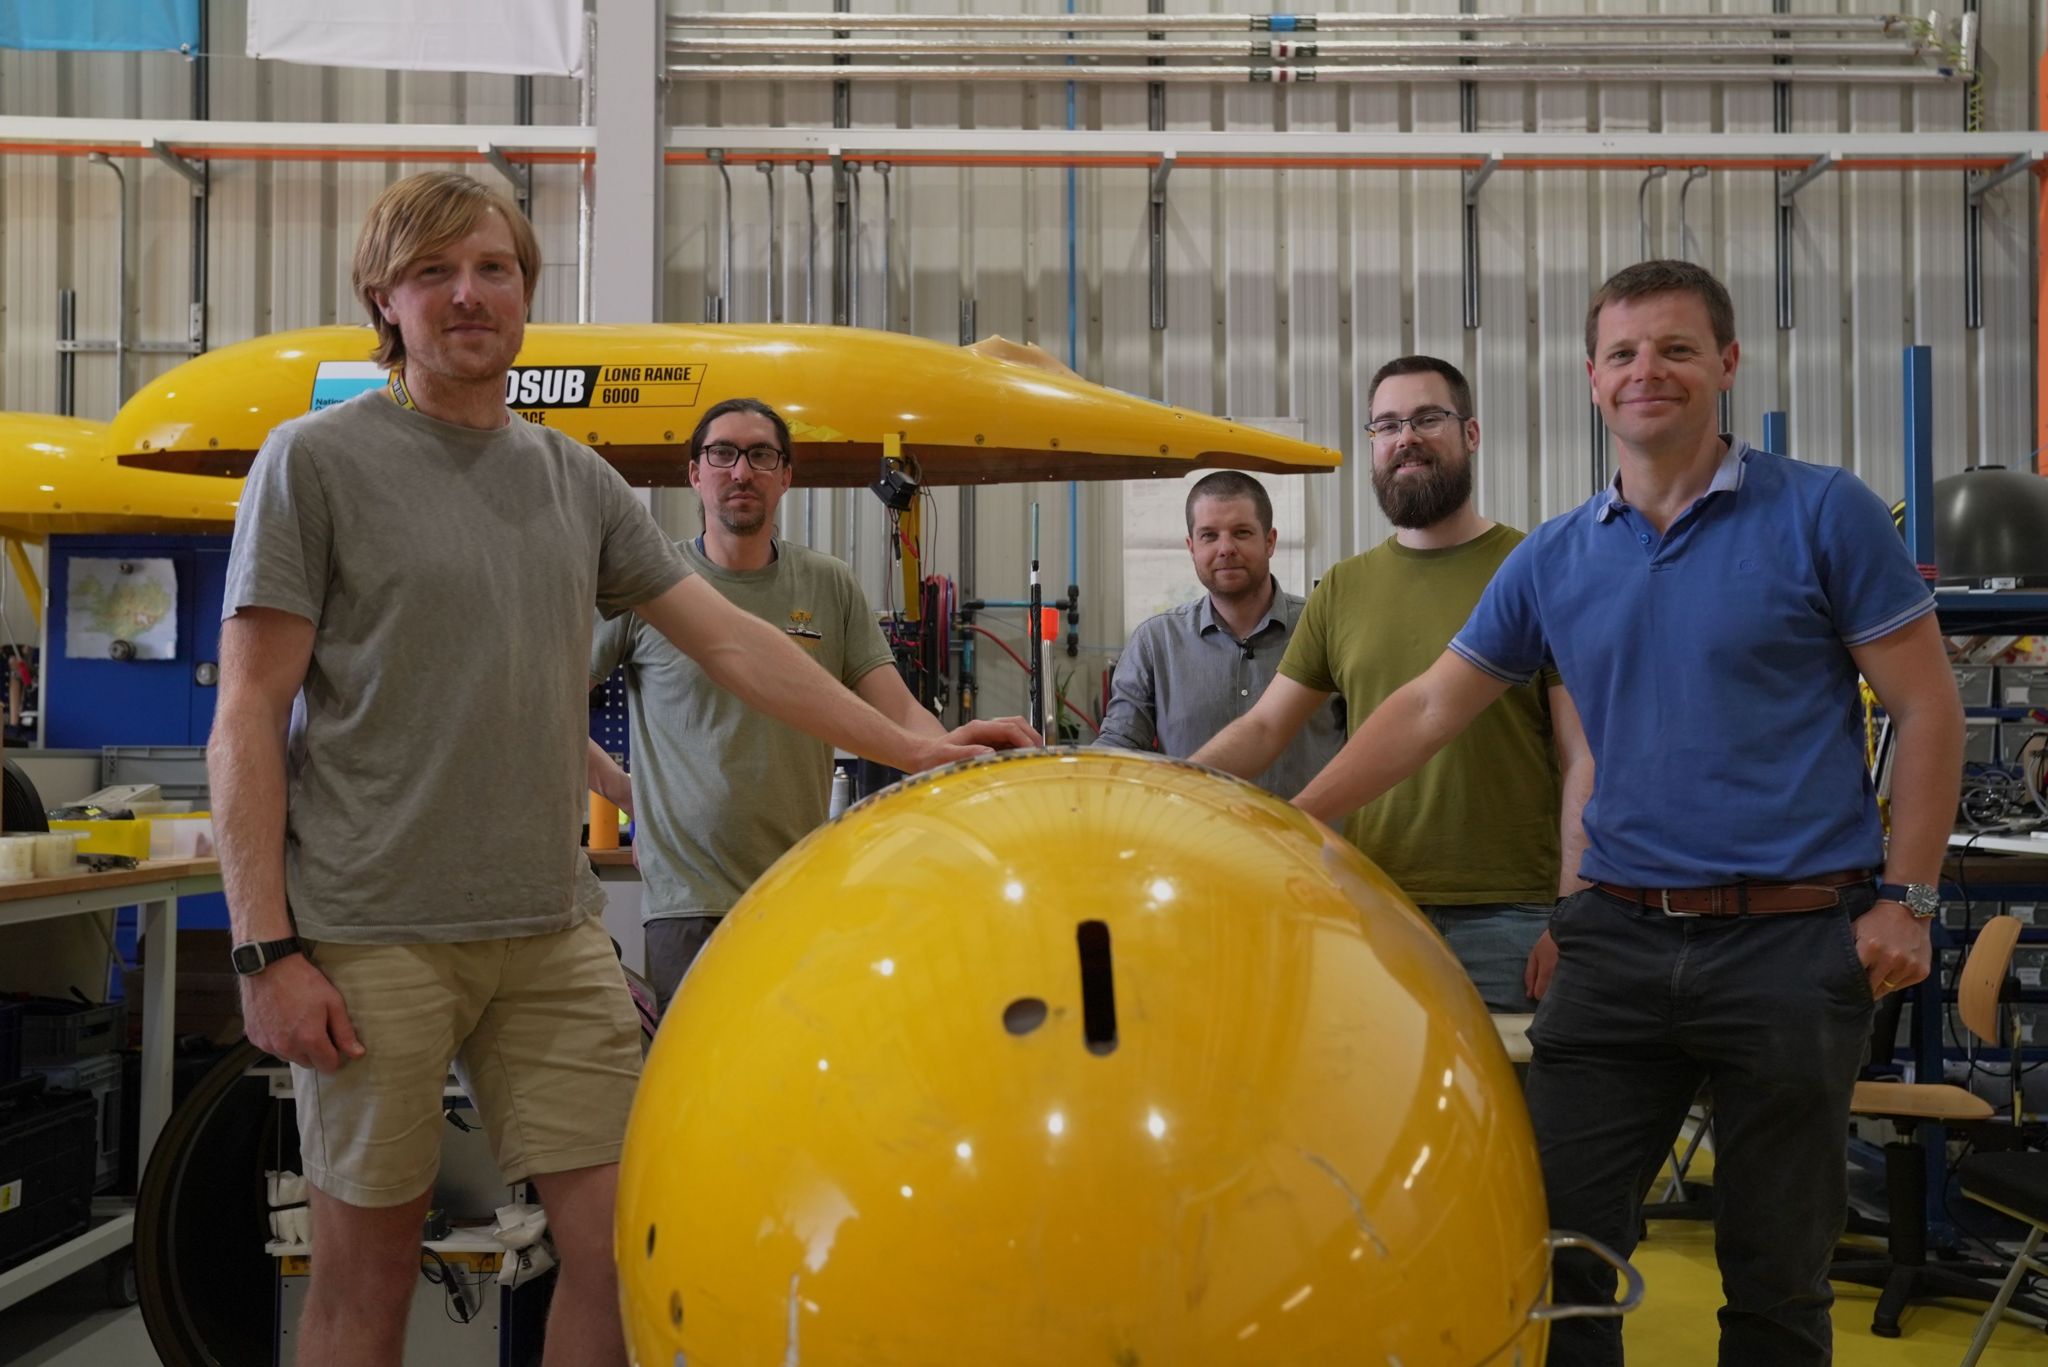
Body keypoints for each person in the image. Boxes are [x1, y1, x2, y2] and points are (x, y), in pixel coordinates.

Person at [208, 171, 1031, 1367]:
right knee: (365, 1271)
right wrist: (264, 950)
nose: (467, 293)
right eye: (434, 273)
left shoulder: (574, 479)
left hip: (550, 930)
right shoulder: (313, 463)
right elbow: (247, 712)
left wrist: (913, 745)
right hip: (372, 931)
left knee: (620, 1245)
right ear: (385, 301)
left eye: (493, 267)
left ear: (527, 294)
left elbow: (734, 639)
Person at [1289, 261, 1963, 1366]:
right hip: (1615, 942)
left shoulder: (1822, 511)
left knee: (1776, 1271)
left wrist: (1906, 897)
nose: (1646, 370)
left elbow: (1927, 706)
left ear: (1725, 364)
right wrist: (1286, 820)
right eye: (1622, 353)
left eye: (1675, 348)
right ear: (1591, 381)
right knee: (1558, 1252)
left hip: (1790, 944)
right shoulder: (1557, 554)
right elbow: (1422, 706)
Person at [586, 397, 1035, 1011]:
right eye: (722, 454)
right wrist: (623, 790)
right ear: (694, 473)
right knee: (707, 1092)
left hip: (801, 890)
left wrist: (951, 761)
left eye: (761, 455)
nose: (741, 471)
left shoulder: (828, 583)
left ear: (786, 476)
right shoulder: (650, 584)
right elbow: (544, 701)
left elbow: (900, 711)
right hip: (690, 902)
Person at [1191, 358, 1587, 1012]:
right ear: (1373, 445)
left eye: (1428, 417)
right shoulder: (1344, 587)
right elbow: (1264, 729)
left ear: (1472, 433)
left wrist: (1571, 913)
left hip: (1512, 919)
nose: (1407, 436)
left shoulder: (1534, 569)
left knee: (1515, 1115)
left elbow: (1582, 755)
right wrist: (1170, 787)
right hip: (1372, 902)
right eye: (1387, 424)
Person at [1094, 471, 1344, 797]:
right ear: (1191, 547)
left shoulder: (1324, 628)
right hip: (1196, 844)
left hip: (1303, 843)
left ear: (1270, 541)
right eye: (1209, 536)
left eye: (1241, 533)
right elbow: (1120, 746)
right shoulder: (1155, 642)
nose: (1226, 548)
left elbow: (1370, 737)